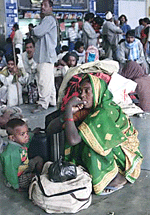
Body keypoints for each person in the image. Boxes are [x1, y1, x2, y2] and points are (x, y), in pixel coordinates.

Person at [46, 74, 143, 195]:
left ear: (97, 91)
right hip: (115, 150)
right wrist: (67, 114)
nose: (82, 95)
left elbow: (73, 140)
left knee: (91, 141)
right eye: (80, 91)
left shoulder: (104, 112)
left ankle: (117, 177)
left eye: (87, 91)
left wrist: (69, 109)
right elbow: (50, 130)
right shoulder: (87, 110)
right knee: (78, 130)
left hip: (125, 157)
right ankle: (98, 171)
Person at [0, 118, 43, 190]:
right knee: (36, 178)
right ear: (12, 138)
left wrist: (33, 132)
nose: (27, 136)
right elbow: (10, 172)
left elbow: (29, 135)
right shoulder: (10, 154)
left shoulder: (20, 142)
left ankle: (38, 174)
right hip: (18, 176)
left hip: (24, 166)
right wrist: (16, 186)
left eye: (27, 132)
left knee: (39, 159)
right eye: (23, 134)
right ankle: (36, 178)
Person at [31, 0, 57, 113]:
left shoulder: (48, 19)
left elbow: (38, 32)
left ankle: (42, 104)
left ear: (51, 7)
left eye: (45, 5)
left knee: (43, 80)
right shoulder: (50, 19)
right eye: (41, 5)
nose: (42, 7)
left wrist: (32, 29)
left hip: (45, 55)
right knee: (49, 81)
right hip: (48, 55)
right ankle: (51, 101)